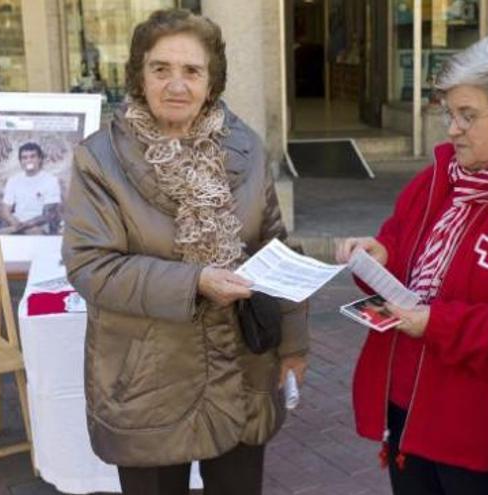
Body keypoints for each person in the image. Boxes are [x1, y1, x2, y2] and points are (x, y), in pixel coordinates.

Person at [61, 9, 308, 495]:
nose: (176, 84)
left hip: (240, 364)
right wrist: (195, 281)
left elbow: (275, 246)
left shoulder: (245, 147)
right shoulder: (100, 159)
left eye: (192, 71)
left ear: (211, 80)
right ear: (139, 74)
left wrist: (294, 343)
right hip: (148, 375)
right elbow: (91, 265)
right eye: (161, 69)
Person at [335, 35, 488, 495]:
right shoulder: (438, 177)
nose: (451, 129)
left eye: (468, 116)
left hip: (477, 439)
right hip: (408, 414)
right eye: (449, 114)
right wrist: (380, 254)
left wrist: (436, 323)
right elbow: (399, 240)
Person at [0, 141, 62, 235]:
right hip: (16, 224)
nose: (29, 160)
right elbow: (5, 209)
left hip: (39, 226)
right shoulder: (13, 180)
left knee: (35, 233)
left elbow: (49, 214)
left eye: (32, 156)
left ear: (40, 159)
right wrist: (15, 224)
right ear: (20, 161)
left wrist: (23, 226)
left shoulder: (51, 180)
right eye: (25, 157)